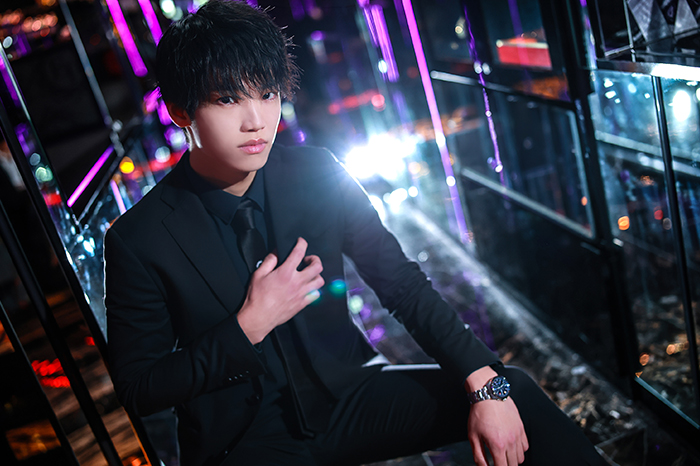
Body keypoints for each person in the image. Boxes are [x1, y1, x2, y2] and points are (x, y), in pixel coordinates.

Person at [104, 1, 606, 465]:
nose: (256, 120)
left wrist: (483, 384)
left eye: (267, 93)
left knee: (514, 393)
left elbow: (401, 284)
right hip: (244, 444)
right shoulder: (140, 237)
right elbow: (140, 387)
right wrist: (248, 326)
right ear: (182, 111)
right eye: (228, 98)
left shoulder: (316, 173)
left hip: (348, 399)